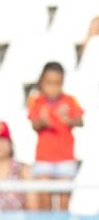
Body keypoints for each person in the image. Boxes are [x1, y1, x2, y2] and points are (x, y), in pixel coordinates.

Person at [27, 61, 83, 211]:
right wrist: (42, 121)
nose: (53, 87)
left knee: (64, 202)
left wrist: (69, 120)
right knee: (45, 201)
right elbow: (34, 124)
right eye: (49, 83)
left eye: (57, 83)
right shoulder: (36, 101)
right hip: (44, 158)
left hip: (65, 157)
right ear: (42, 82)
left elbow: (80, 121)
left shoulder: (69, 101)